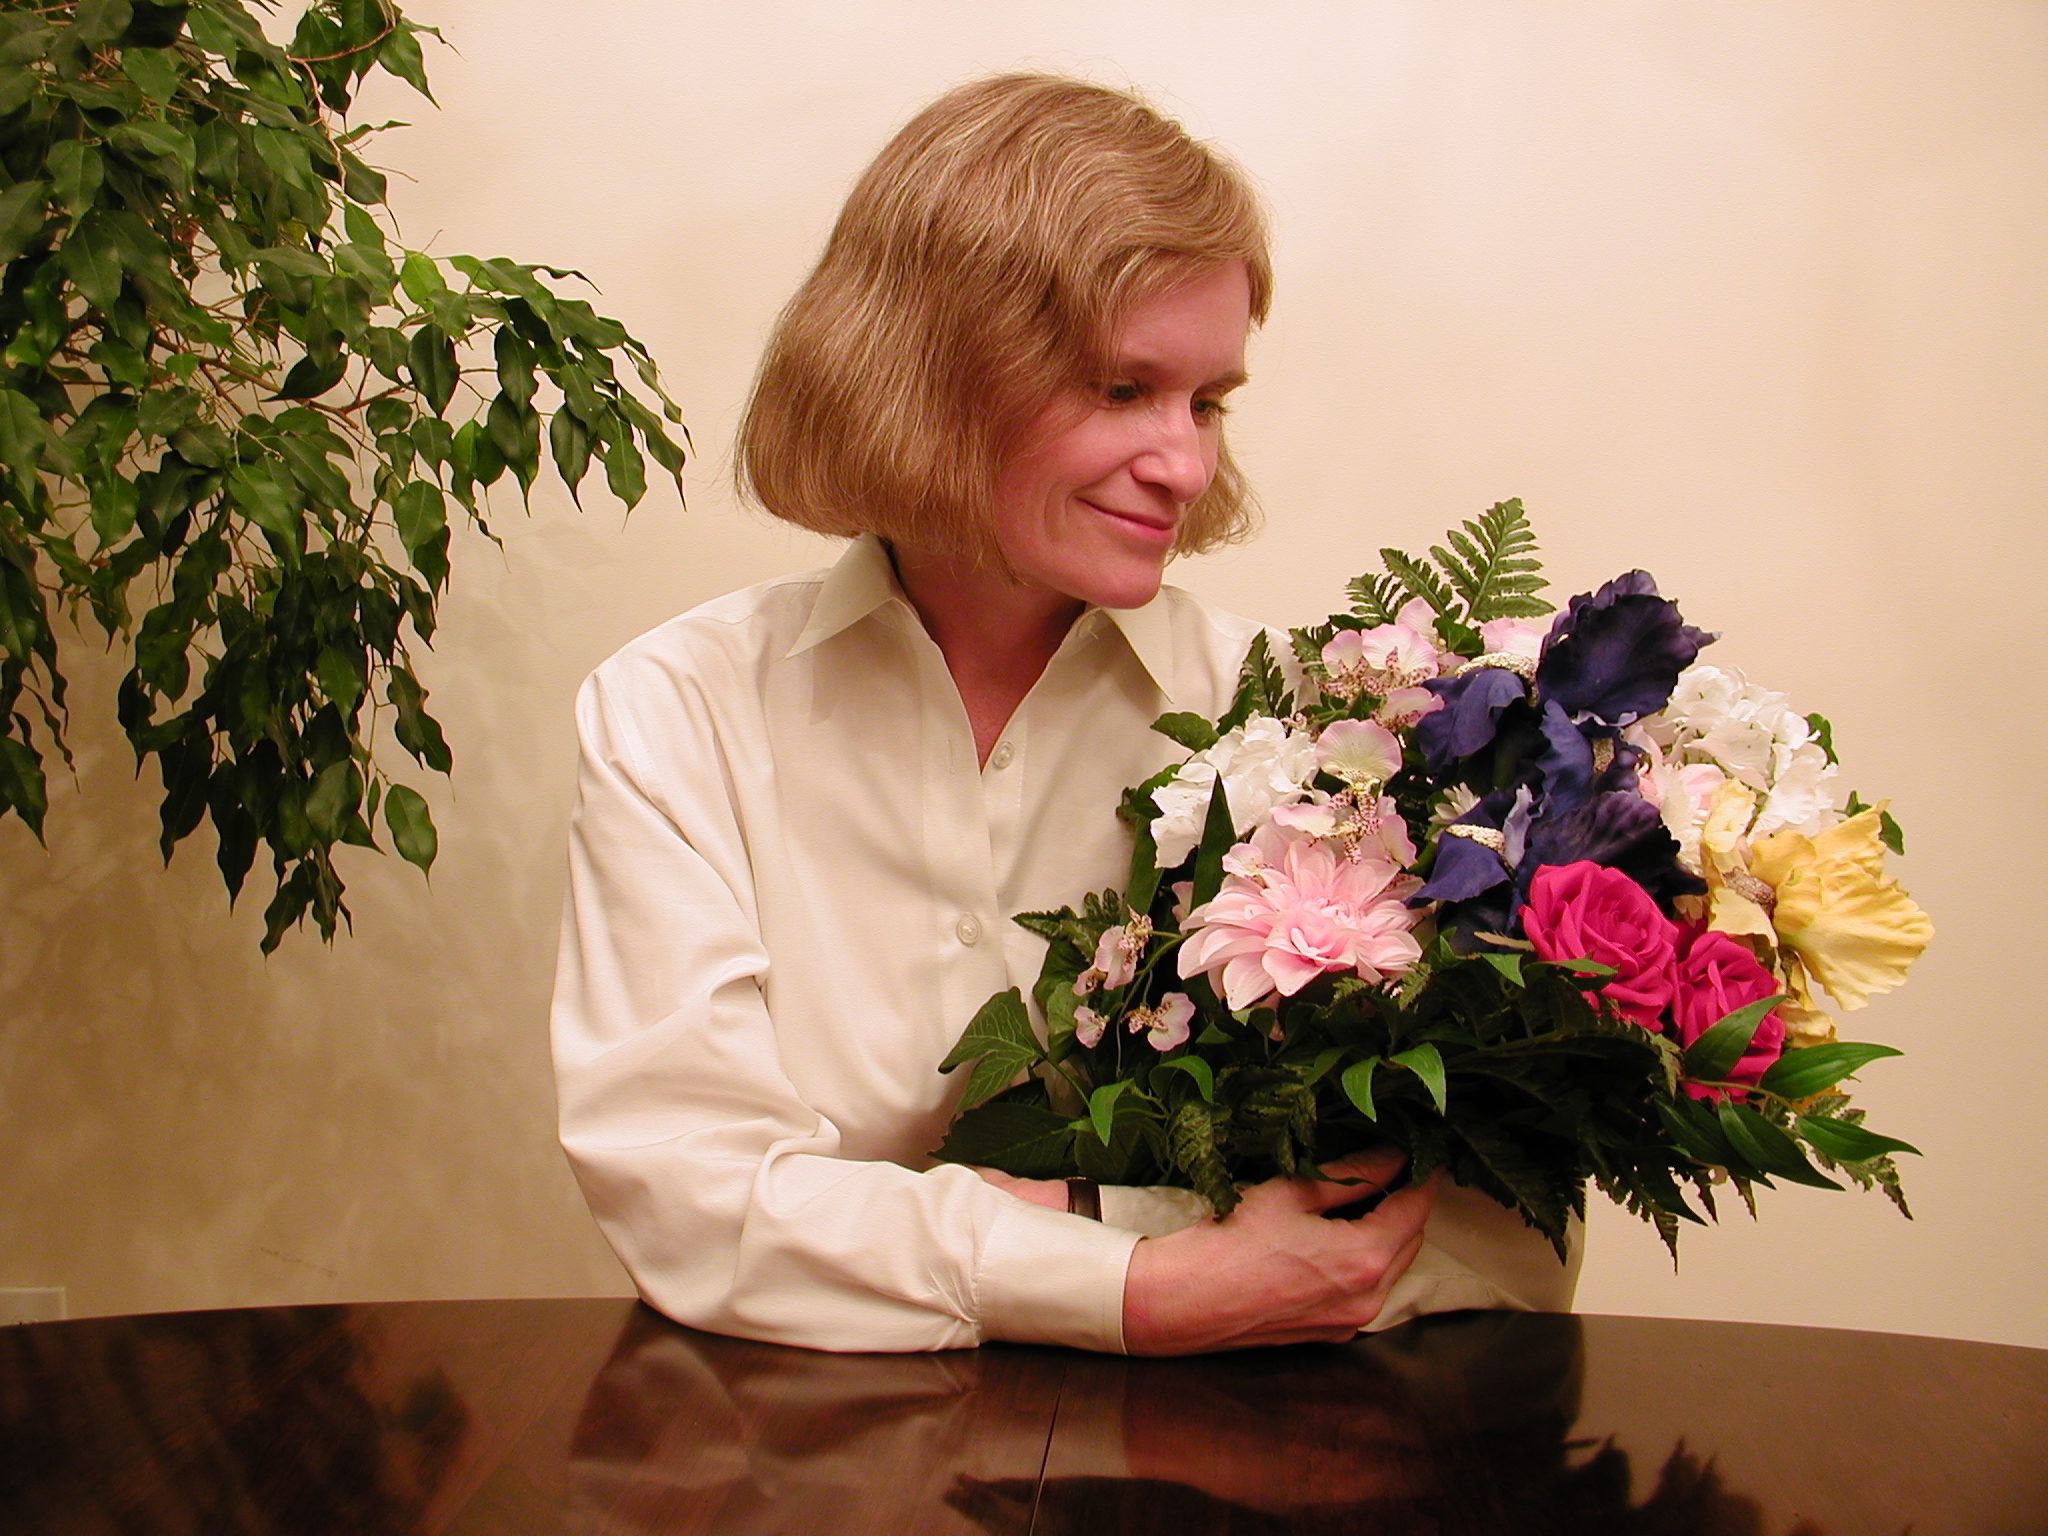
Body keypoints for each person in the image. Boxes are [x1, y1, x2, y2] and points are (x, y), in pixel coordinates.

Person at [550, 73, 1578, 1356]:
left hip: (1248, 1445)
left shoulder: (1309, 731)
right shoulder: (680, 712)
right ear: (926, 373)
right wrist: (1141, 1279)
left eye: (1206, 401)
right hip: (803, 1440)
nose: (1184, 464)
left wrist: (1059, 1217)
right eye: (1118, 388)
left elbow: (1502, 1227)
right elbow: (687, 1196)